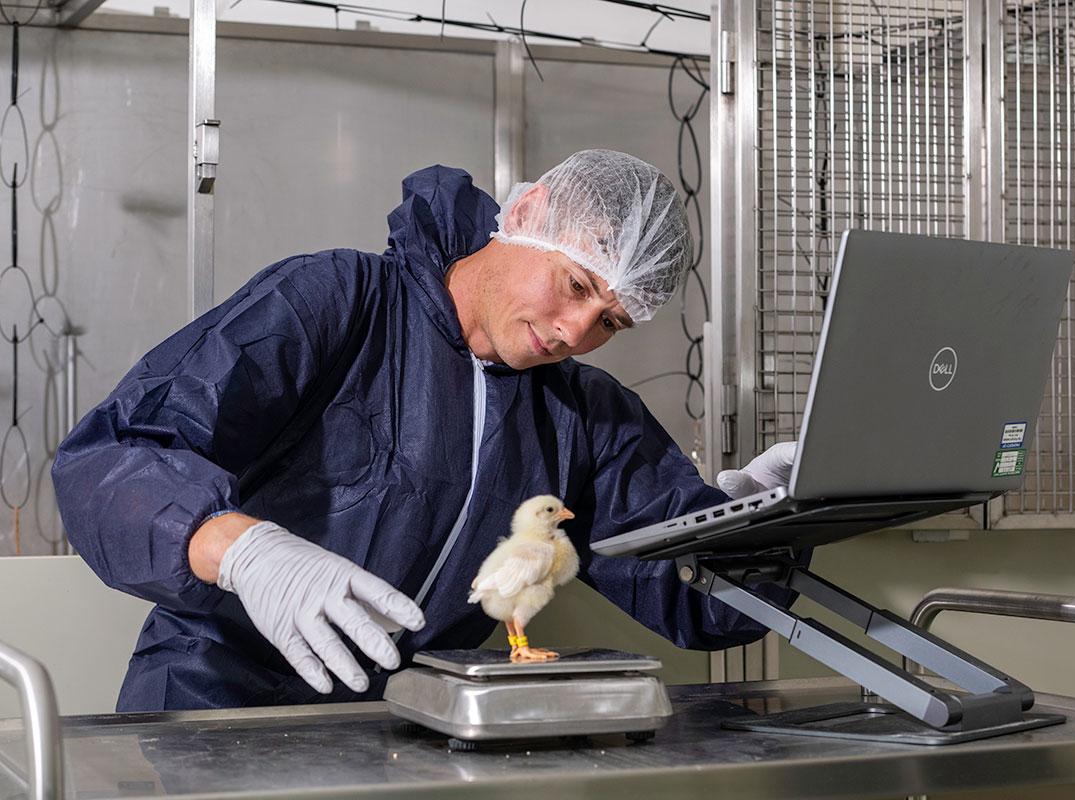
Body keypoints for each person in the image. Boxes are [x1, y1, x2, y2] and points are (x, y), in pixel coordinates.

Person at [51, 149, 794, 712]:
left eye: (611, 321)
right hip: (215, 712)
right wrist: (242, 549)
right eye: (575, 285)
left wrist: (764, 523)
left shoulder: (582, 416)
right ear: (530, 213)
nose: (574, 330)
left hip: (405, 733)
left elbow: (694, 598)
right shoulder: (338, 304)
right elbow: (111, 457)